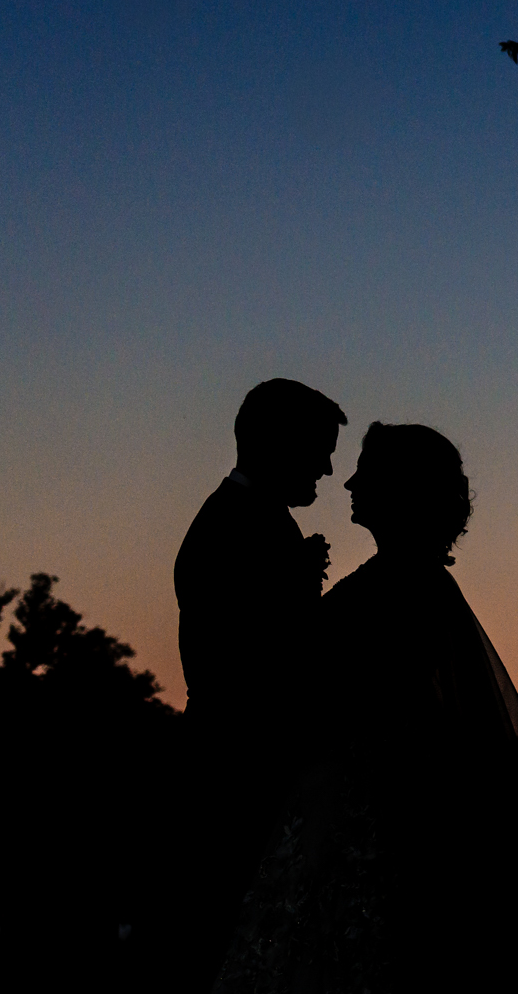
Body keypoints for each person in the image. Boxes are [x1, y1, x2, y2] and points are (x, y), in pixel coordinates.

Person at [214, 421, 518, 992]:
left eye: (367, 471)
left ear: (399, 488)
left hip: (366, 812)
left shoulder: (404, 585)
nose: (350, 482)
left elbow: (368, 691)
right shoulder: (403, 578)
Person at [174, 378, 347, 987]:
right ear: (279, 443)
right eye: (320, 449)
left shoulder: (257, 522)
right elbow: (247, 670)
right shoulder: (232, 530)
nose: (329, 468)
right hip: (234, 778)